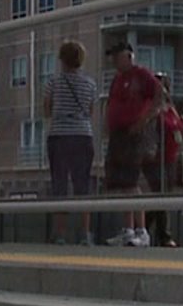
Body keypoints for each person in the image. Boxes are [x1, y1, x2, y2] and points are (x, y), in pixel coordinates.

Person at [102, 40, 160, 247]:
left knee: (132, 182)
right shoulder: (117, 79)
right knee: (121, 184)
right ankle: (128, 229)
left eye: (118, 56)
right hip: (118, 134)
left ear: (128, 56)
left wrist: (143, 120)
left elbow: (159, 96)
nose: (114, 61)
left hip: (133, 134)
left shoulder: (141, 75)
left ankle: (141, 230)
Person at [43, 40, 100, 245]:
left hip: (59, 136)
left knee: (60, 184)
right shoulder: (90, 84)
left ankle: (60, 233)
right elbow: (91, 112)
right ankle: (85, 233)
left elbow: (46, 109)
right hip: (83, 136)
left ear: (61, 59)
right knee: (82, 184)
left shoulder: (54, 82)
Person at [143, 73, 183, 248]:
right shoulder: (152, 108)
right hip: (156, 157)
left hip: (171, 157)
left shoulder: (170, 108)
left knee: (163, 195)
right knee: (160, 193)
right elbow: (165, 126)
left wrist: (180, 122)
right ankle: (162, 235)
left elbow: (176, 127)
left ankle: (145, 228)